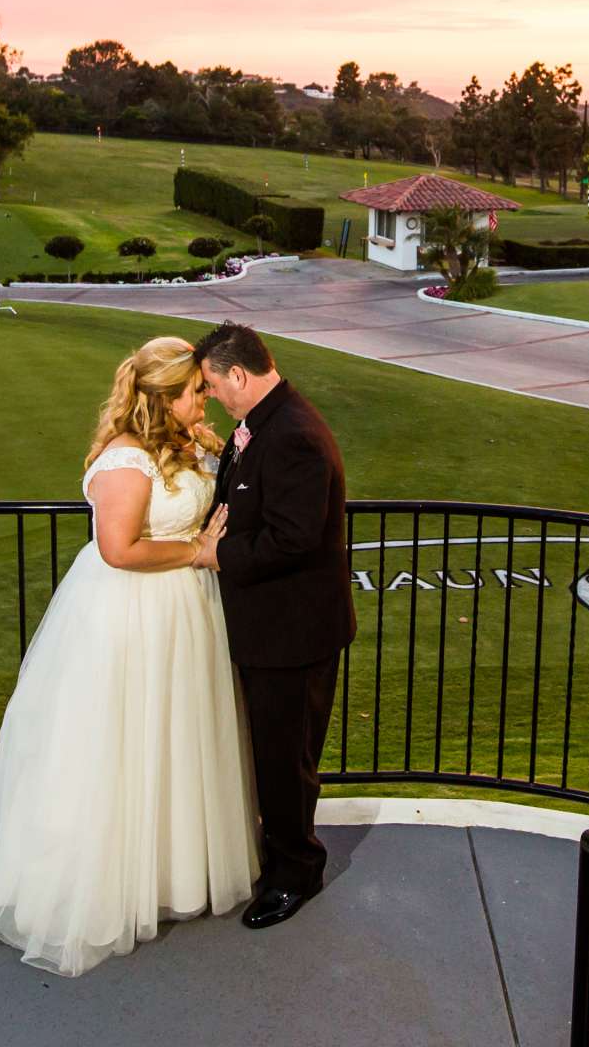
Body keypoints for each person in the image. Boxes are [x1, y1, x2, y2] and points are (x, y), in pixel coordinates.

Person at [0, 335, 256, 975]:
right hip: (131, 612)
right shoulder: (125, 459)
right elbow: (119, 549)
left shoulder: (190, 444)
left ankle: (168, 872)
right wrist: (198, 551)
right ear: (165, 396)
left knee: (173, 738)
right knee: (117, 742)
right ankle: (93, 883)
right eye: (196, 390)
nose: (205, 397)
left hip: (186, 611)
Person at [191, 321, 357, 929]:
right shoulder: (267, 424)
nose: (213, 397)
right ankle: (282, 855)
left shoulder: (293, 436)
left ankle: (296, 874)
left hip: (294, 634)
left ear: (239, 373)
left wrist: (218, 555)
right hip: (276, 629)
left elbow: (293, 540)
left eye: (214, 385)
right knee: (274, 754)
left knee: (287, 762)